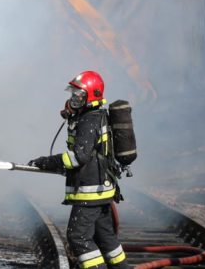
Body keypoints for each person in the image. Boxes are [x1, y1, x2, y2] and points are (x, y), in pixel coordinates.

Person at [28, 71, 129, 269]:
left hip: (90, 191)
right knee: (106, 238)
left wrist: (47, 162)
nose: (73, 99)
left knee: (78, 236)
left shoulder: (88, 120)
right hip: (101, 189)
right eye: (73, 95)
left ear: (91, 96)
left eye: (79, 96)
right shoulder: (95, 116)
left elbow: (78, 157)